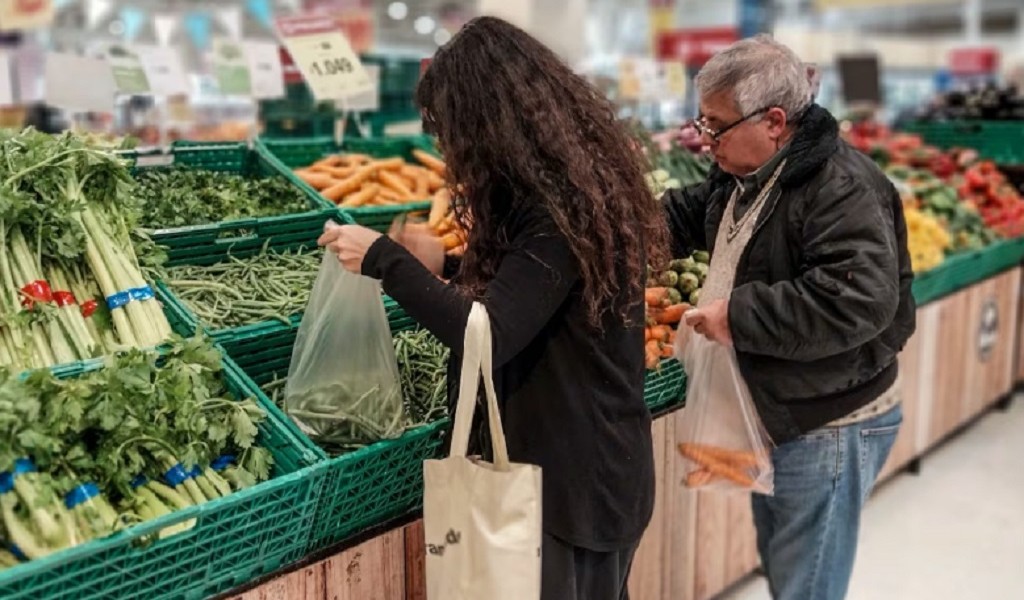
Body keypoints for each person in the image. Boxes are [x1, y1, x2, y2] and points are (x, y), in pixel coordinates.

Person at [318, 16, 669, 600]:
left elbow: (490, 332)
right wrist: (447, 268)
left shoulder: (559, 212)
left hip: (576, 482)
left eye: (452, 131)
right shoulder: (566, 191)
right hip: (583, 465)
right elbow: (540, 300)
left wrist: (385, 259)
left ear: (490, 124)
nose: (449, 150)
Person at [664, 36, 915, 600]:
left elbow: (858, 300)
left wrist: (740, 315)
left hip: (830, 423)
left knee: (807, 583)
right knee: (785, 567)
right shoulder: (748, 173)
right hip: (782, 409)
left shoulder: (839, 186)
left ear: (774, 121)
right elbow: (687, 214)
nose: (706, 142)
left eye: (716, 126)